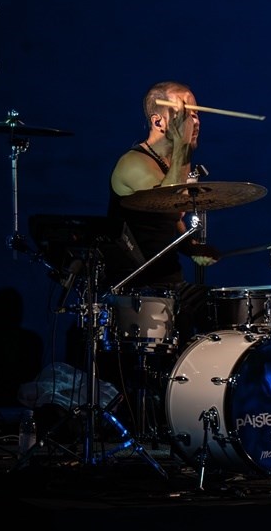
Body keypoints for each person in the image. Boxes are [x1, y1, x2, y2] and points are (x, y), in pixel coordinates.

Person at [105, 80, 220, 347]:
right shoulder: (133, 163)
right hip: (138, 290)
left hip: (171, 284)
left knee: (223, 308)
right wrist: (183, 147)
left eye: (196, 113)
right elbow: (167, 203)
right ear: (159, 122)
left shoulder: (170, 164)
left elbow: (172, 220)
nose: (195, 121)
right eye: (185, 114)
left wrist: (192, 248)